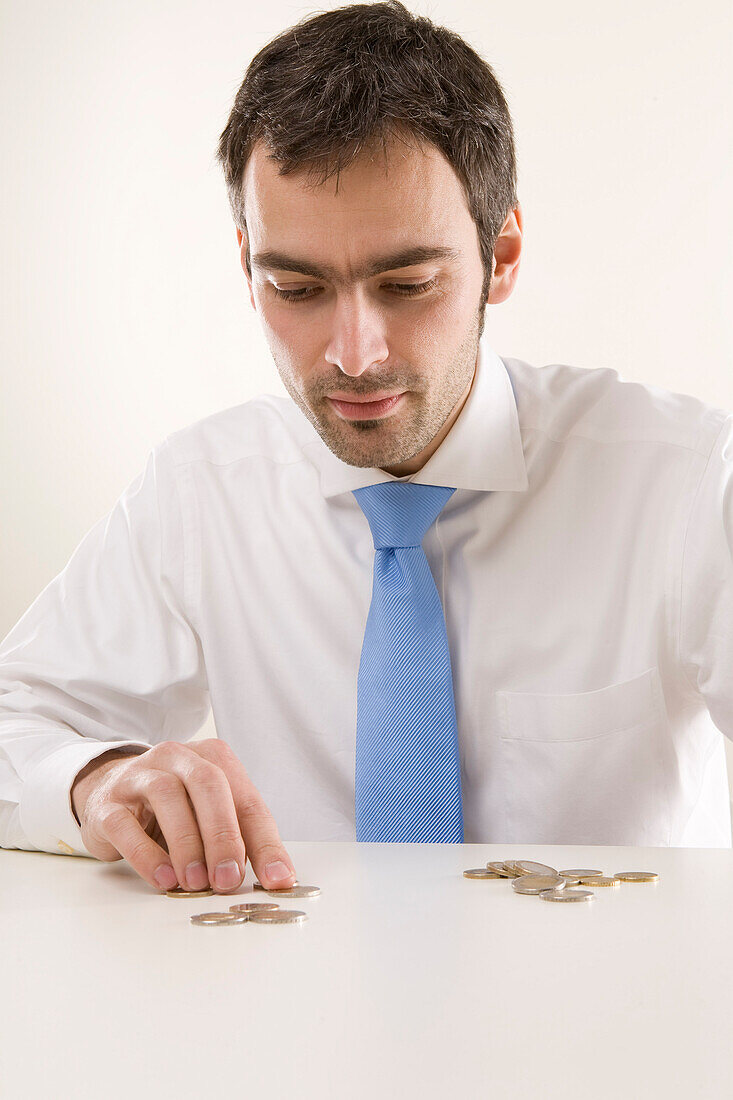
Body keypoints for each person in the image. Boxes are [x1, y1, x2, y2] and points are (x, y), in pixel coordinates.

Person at [2, 1, 732, 899]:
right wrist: (93, 780)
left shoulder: (684, 478)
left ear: (500, 253)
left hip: (614, 1015)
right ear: (246, 266)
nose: (354, 353)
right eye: (296, 287)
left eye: (407, 283)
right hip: (294, 1011)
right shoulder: (201, 490)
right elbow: (17, 722)